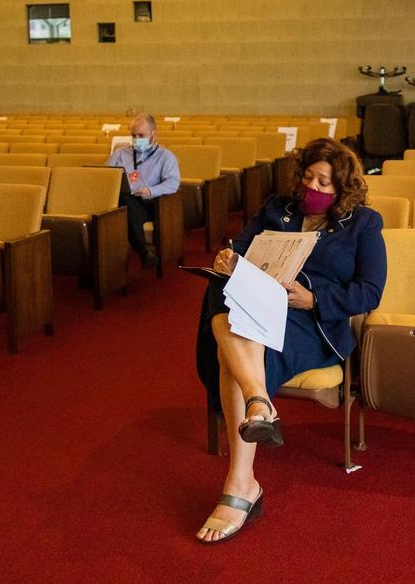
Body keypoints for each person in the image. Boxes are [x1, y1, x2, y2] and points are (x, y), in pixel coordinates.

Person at [196, 138, 386, 544]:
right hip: (258, 308)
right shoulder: (276, 208)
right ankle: (257, 404)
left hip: (311, 321)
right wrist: (227, 261)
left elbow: (369, 292)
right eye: (308, 177)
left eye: (324, 183)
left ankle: (241, 484)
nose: (312, 189)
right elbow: (240, 249)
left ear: (343, 188)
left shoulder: (365, 224)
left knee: (231, 348)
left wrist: (314, 299)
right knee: (220, 289)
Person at [105, 113, 179, 268]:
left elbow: (173, 183)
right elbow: (105, 176)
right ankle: (142, 252)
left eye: (141, 135)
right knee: (123, 202)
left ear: (153, 134)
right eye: (133, 135)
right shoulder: (120, 154)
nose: (137, 140)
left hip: (149, 202)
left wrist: (150, 191)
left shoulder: (165, 157)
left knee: (123, 206)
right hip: (123, 201)